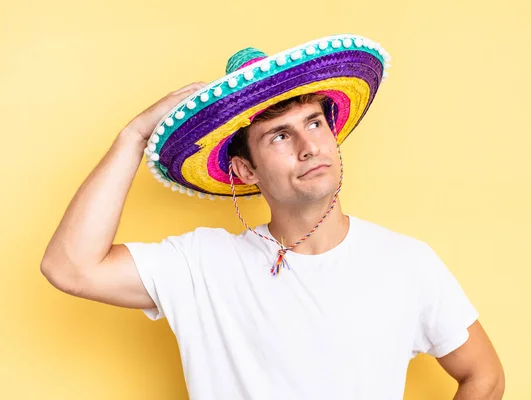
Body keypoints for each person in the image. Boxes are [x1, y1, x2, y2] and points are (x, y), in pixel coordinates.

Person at [41, 35, 504, 399]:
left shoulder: (408, 263)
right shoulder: (202, 265)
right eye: (280, 137)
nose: (309, 147)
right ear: (245, 170)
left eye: (315, 123)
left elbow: (484, 376)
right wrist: (134, 134)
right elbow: (70, 267)